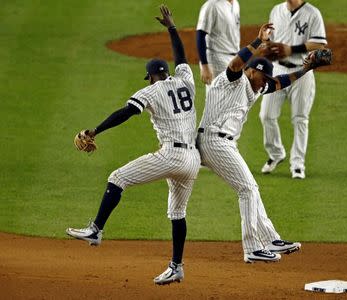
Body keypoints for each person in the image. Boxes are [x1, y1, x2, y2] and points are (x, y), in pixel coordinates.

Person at [66, 5, 200, 286]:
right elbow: (182, 56)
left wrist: (95, 130)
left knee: (117, 178)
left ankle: (96, 229)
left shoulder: (150, 91)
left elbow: (125, 112)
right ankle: (176, 266)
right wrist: (172, 28)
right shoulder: (186, 81)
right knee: (177, 213)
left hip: (172, 155)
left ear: (151, 76)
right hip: (192, 161)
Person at [196, 23, 331, 262]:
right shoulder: (232, 79)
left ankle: (270, 239)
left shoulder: (256, 87)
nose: (264, 81)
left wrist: (306, 69)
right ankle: (251, 249)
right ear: (251, 71)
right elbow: (235, 63)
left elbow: (280, 82)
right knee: (247, 189)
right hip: (212, 140)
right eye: (262, 76)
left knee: (250, 189)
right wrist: (258, 42)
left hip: (224, 144)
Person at [259, 0, 327, 179]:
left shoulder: (313, 14)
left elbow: (320, 45)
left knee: (300, 119)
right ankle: (276, 154)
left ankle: (297, 164)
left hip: (302, 70)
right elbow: (271, 41)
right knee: (266, 115)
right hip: (278, 70)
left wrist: (292, 49)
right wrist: (267, 48)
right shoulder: (276, 10)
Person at [196, 0, 240, 85]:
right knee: (216, 96)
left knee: (234, 96)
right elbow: (200, 35)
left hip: (233, 58)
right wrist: (205, 66)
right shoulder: (212, 5)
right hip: (216, 59)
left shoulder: (236, 4)